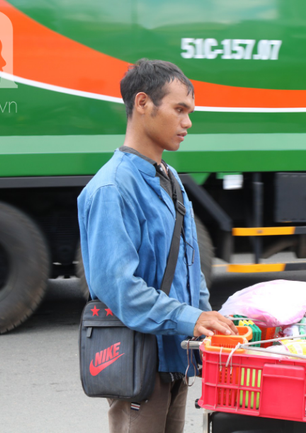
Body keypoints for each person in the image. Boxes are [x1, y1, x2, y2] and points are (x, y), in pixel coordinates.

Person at [77, 59, 237, 433]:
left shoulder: (170, 179)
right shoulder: (111, 188)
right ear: (143, 103)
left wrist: (208, 325)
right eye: (179, 110)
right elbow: (120, 290)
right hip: (138, 364)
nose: (188, 122)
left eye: (190, 112)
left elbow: (189, 266)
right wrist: (191, 319)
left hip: (175, 360)